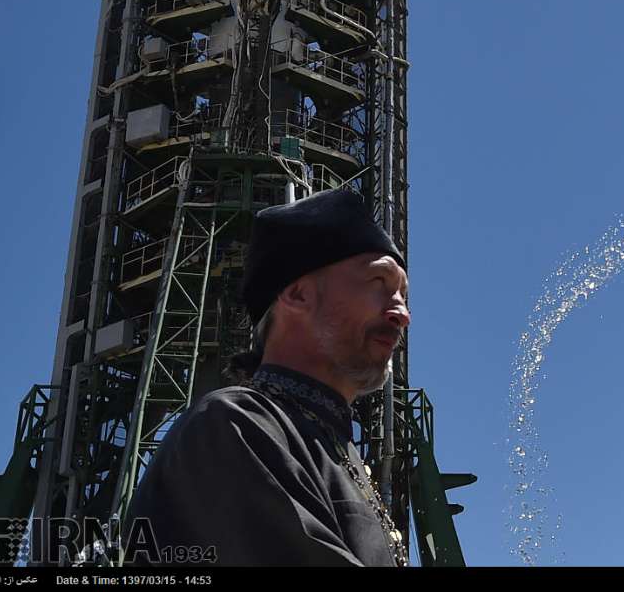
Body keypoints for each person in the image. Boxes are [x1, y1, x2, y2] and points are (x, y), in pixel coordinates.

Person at [124, 188, 411, 566]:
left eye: (403, 295)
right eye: (378, 284)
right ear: (296, 295)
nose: (401, 314)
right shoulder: (235, 425)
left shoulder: (334, 448)